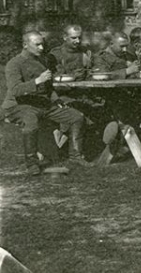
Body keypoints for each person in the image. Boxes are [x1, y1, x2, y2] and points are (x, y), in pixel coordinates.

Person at [3, 31, 89, 174]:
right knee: (30, 122)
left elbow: (48, 88)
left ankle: (75, 156)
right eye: (37, 45)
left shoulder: (42, 61)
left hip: (43, 103)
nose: (42, 48)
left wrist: (56, 100)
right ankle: (32, 164)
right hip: (19, 105)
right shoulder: (14, 63)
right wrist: (37, 81)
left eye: (42, 44)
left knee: (76, 117)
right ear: (25, 45)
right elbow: (15, 90)